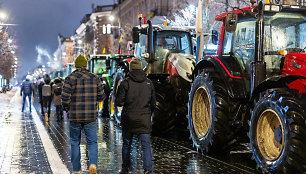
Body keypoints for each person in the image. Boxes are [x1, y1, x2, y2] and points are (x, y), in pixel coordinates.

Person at [61, 54, 105, 174]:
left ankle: (76, 170)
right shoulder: (95, 78)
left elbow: (65, 99)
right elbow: (102, 96)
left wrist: (67, 109)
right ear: (86, 65)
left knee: (75, 142)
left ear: (75, 65)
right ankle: (93, 165)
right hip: (91, 116)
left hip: (75, 116)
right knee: (92, 142)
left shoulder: (69, 78)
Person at [116, 58, 156, 174]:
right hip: (144, 119)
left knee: (127, 144)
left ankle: (125, 168)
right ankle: (148, 170)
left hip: (129, 119)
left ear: (130, 68)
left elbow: (118, 102)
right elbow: (153, 103)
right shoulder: (149, 83)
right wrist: (148, 114)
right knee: (146, 146)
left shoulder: (125, 83)